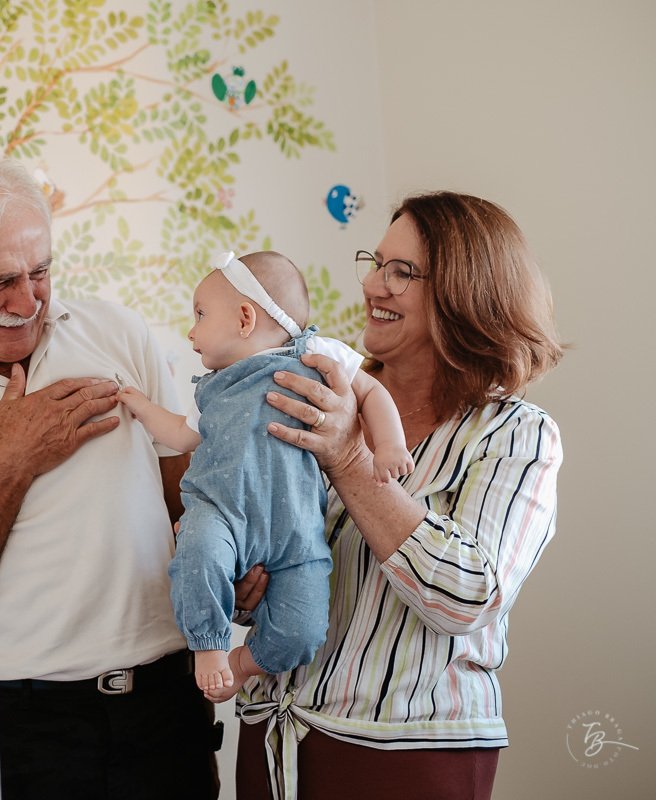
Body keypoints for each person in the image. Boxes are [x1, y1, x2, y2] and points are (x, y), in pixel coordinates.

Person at [0, 153, 262, 800]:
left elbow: (191, 505)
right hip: (15, 735)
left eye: (39, 271)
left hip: (164, 713)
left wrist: (239, 567)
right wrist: (7, 463)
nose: (27, 301)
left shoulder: (118, 335)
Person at [233, 192, 564, 800]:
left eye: (401, 272)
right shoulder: (320, 393)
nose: (372, 285)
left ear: (468, 291)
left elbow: (469, 597)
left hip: (408, 760)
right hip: (273, 743)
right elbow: (282, 552)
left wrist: (348, 460)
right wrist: (244, 582)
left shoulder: (516, 433)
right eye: (375, 262)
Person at [118, 250, 413, 700]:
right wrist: (140, 406)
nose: (191, 330)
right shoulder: (214, 386)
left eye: (200, 314)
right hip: (220, 513)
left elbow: (371, 390)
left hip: (296, 529)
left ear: (244, 318)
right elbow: (181, 435)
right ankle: (209, 645)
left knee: (305, 627)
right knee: (196, 553)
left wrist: (389, 444)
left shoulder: (314, 352)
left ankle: (246, 661)